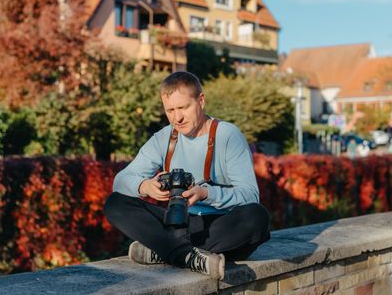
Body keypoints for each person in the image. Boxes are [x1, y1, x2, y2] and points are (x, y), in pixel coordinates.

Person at [104, 71, 270, 280]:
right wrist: (145, 187)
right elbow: (121, 180)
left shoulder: (228, 135)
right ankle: (188, 256)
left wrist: (205, 193)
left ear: (201, 100)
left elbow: (249, 195)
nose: (177, 118)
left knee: (257, 217)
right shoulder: (163, 138)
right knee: (115, 203)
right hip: (177, 223)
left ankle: (165, 250)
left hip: (220, 225)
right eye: (170, 110)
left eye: (183, 108)